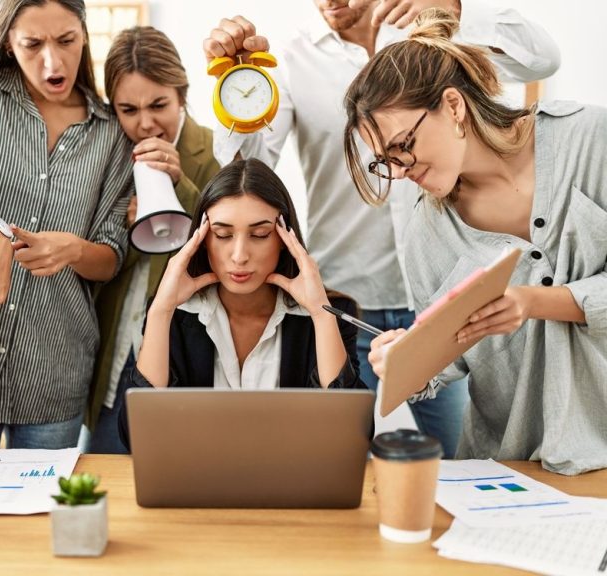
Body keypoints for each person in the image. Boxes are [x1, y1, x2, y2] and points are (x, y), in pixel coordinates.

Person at [203, 1, 561, 457]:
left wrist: (454, 8)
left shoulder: (430, 32)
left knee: (458, 462)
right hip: (349, 303)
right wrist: (234, 87)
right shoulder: (291, 57)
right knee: (337, 458)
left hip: (441, 300)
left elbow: (542, 59)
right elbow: (247, 170)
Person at [345, 9, 607, 475]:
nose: (401, 173)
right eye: (386, 161)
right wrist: (405, 356)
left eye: (403, 146)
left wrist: (533, 300)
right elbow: (449, 362)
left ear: (452, 106)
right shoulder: (427, 233)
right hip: (509, 474)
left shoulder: (591, 141)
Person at [0, 0, 134, 450]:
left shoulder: (111, 131)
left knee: (43, 521)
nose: (53, 61)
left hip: (56, 375)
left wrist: (72, 250)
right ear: (9, 44)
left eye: (67, 41)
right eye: (32, 44)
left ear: (85, 35)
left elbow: (112, 254)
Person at [119, 159, 365, 449]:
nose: (239, 255)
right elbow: (137, 437)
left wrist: (321, 316)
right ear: (202, 239)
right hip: (198, 485)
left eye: (260, 234)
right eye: (222, 234)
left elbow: (353, 436)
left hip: (291, 487)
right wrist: (161, 311)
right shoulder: (175, 314)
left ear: (286, 240)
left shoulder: (327, 316)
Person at [84, 26, 220, 453]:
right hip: (116, 350)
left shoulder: (216, 153)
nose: (145, 123)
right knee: (107, 477)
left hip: (186, 355)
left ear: (182, 94)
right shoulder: (107, 156)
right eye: (128, 109)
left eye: (159, 104)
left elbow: (226, 252)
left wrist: (178, 188)